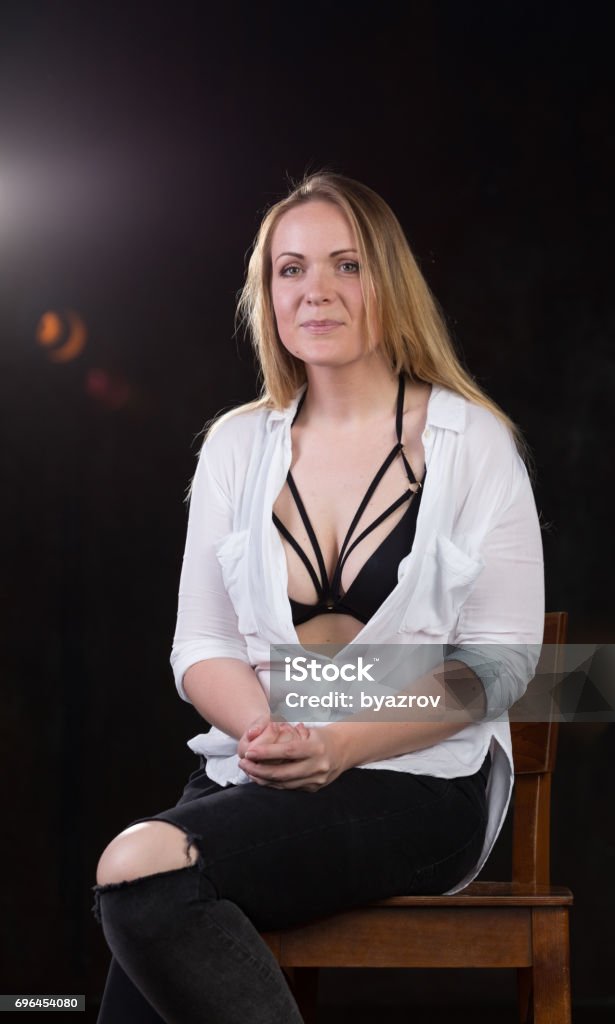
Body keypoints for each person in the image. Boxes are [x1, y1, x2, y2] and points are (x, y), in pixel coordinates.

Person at [92, 171, 544, 1024]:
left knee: (143, 868)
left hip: (422, 780)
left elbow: (502, 661)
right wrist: (270, 734)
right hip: (261, 769)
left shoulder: (473, 442)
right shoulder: (235, 444)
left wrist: (339, 744)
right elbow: (202, 646)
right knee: (146, 897)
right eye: (290, 269)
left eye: (346, 265)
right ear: (267, 293)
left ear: (389, 283)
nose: (317, 292)